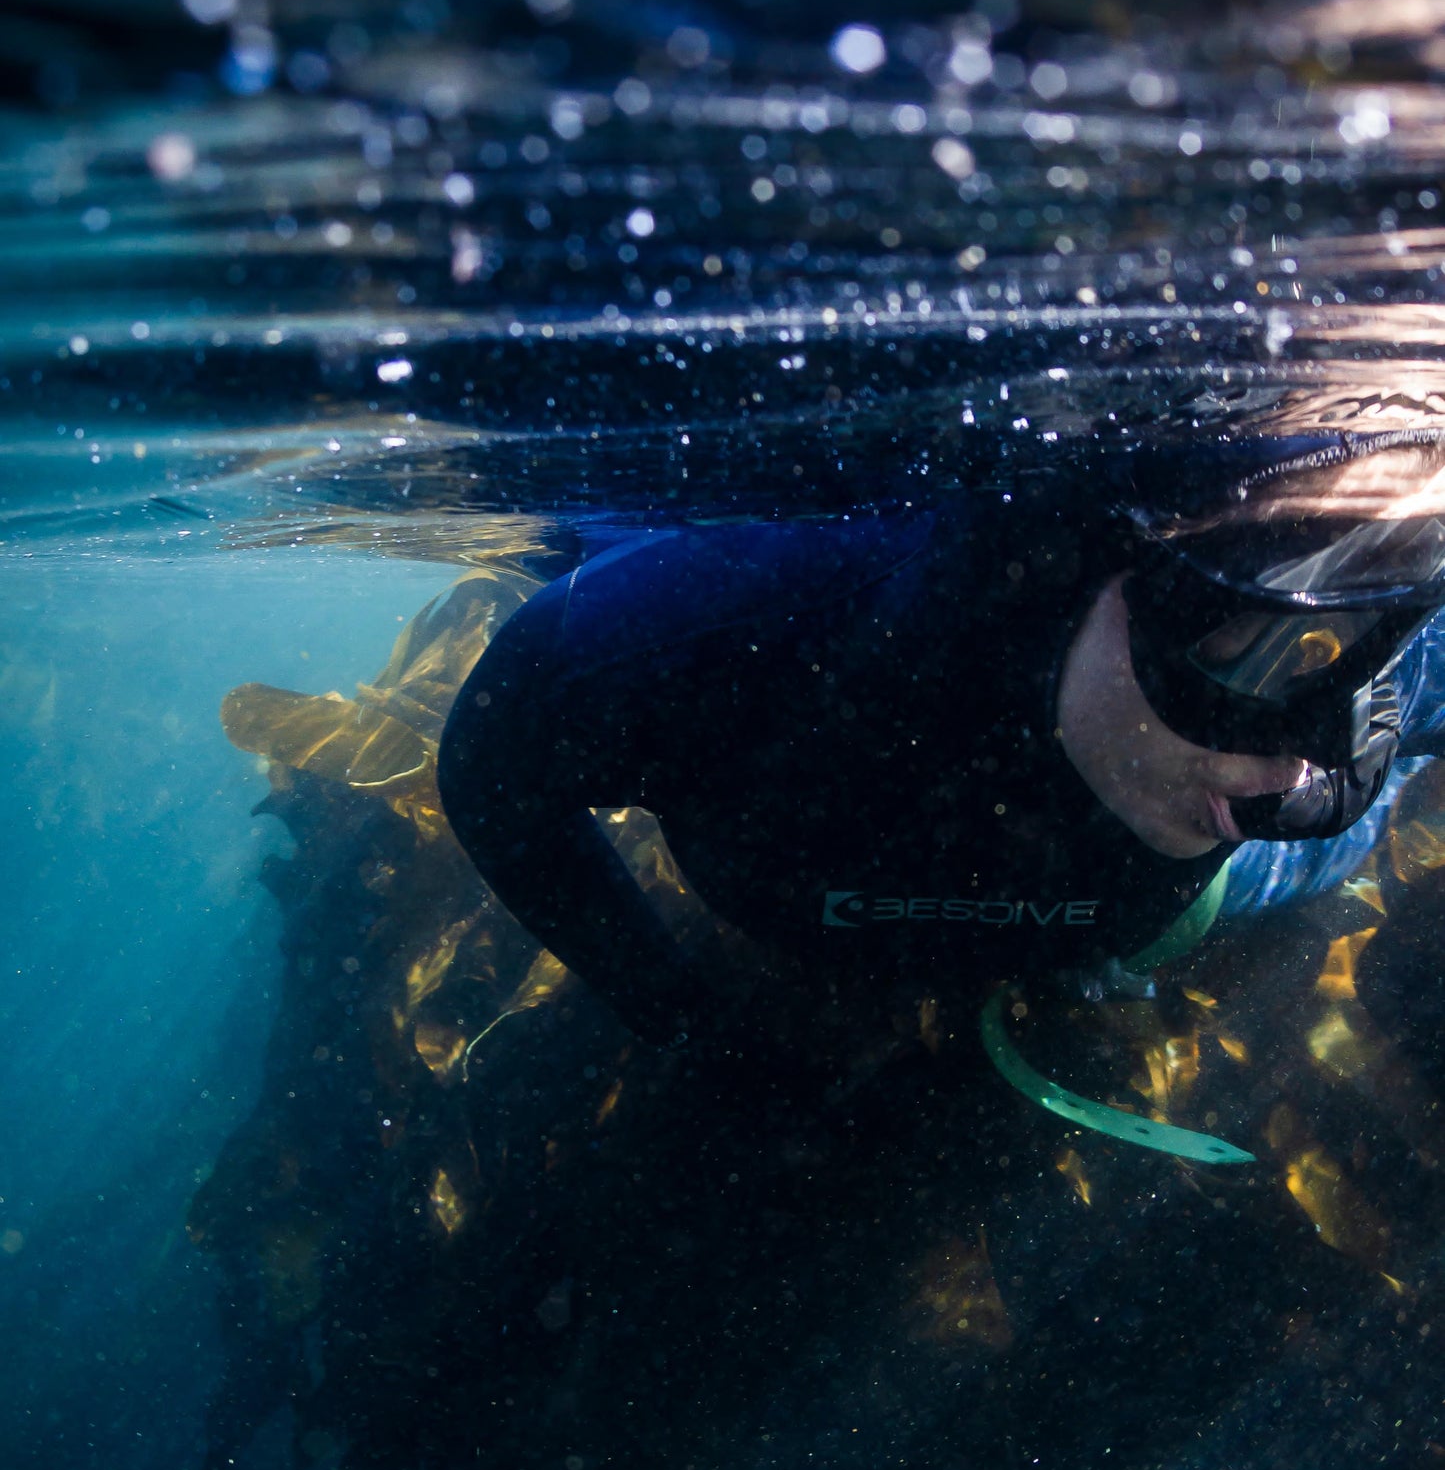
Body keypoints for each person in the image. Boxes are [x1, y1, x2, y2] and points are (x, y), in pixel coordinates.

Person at [436, 429, 1445, 1100]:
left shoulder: (1326, 767)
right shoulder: (760, 628)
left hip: (1182, 900)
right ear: (1110, 560)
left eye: (1378, 659)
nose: (1295, 772)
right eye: (1269, 649)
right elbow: (493, 757)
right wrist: (674, 1011)